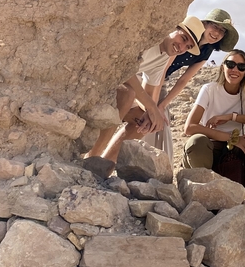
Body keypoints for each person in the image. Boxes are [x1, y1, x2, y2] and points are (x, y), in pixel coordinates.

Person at [82, 16, 206, 178]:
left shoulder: (163, 56)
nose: (182, 47)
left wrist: (151, 114)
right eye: (183, 38)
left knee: (145, 120)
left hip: (110, 92)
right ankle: (90, 160)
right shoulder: (149, 40)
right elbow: (124, 70)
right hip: (93, 83)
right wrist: (152, 108)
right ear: (173, 28)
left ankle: (104, 167)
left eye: (188, 46)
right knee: (128, 94)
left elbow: (149, 91)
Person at [148, 9, 239, 159]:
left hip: (162, 80)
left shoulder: (207, 50)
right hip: (151, 74)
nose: (217, 33)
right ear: (205, 24)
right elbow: (162, 69)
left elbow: (184, 79)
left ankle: (160, 163)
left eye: (222, 31)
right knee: (149, 114)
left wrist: (162, 105)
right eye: (215, 26)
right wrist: (154, 104)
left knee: (163, 119)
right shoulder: (188, 38)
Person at [182, 49, 245, 191]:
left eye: (241, 67)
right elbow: (189, 127)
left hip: (235, 150)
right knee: (197, 141)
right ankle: (206, 189)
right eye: (230, 64)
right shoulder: (209, 89)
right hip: (210, 147)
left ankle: (244, 192)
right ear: (223, 67)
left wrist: (231, 117)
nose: (235, 70)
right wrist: (231, 138)